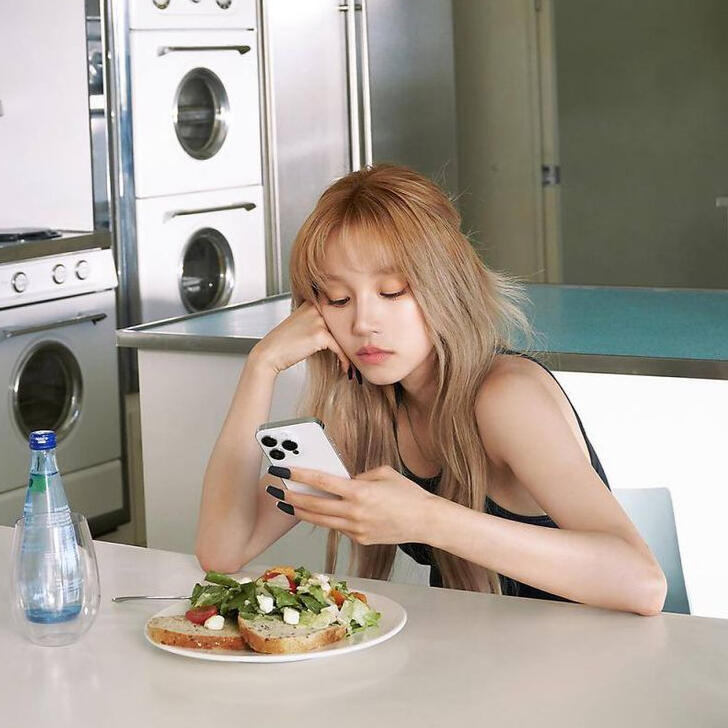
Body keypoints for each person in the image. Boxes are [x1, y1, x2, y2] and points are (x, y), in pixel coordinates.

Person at [196, 164, 667, 615]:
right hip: (475, 655)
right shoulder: (363, 414)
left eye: (392, 291)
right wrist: (262, 365)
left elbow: (643, 583)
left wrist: (426, 517)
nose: (363, 322)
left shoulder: (505, 397)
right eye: (338, 299)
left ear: (446, 286)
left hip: (585, 659)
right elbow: (222, 552)